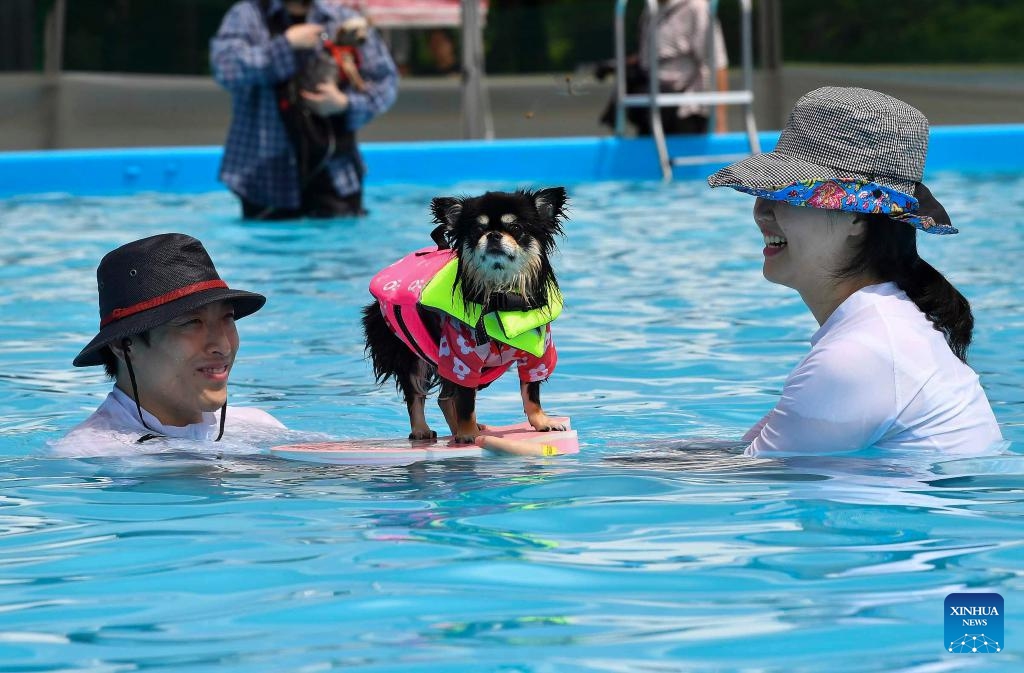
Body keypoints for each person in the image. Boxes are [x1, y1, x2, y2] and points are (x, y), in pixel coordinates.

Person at [705, 86, 1003, 456]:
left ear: (857, 217)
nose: (762, 211)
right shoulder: (881, 326)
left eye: (787, 195)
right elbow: (741, 456)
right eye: (765, 192)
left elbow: (743, 479)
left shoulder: (859, 354)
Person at [52, 234, 286, 457]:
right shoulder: (87, 453)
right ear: (123, 346)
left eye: (228, 318)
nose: (223, 346)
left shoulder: (259, 426)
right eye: (193, 322)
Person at [210, 0, 398, 220]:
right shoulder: (247, 16)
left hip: (336, 175)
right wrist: (286, 46)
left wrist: (344, 104)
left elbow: (385, 82)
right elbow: (225, 70)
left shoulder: (342, 19)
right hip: (265, 179)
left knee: (341, 251)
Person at [599, 0, 728, 136]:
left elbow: (717, 63)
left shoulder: (696, 8)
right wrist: (616, 64)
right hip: (652, 105)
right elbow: (652, 56)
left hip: (685, 110)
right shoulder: (650, 8)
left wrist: (719, 121)